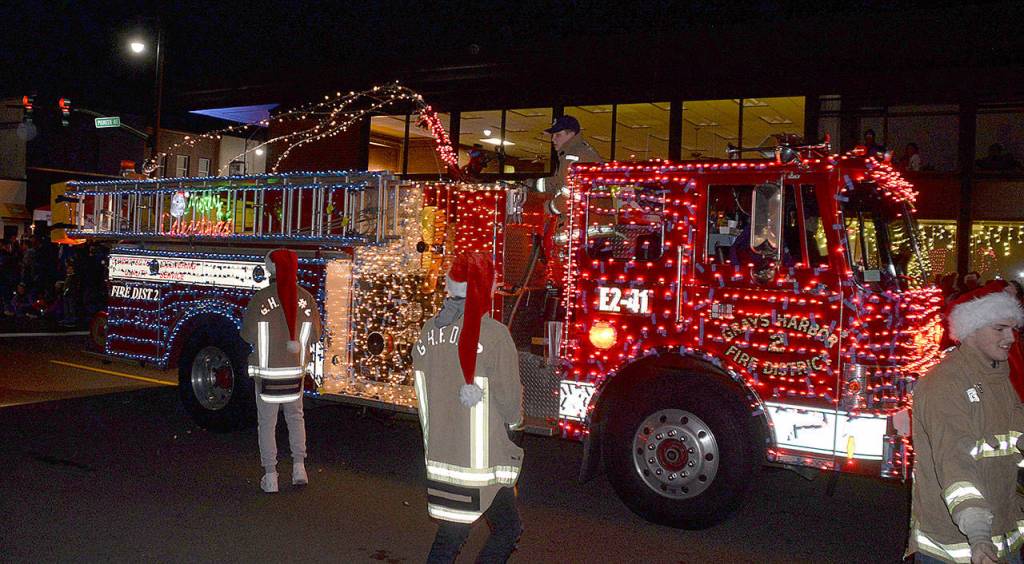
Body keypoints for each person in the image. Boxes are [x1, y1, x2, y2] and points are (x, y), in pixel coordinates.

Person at [412, 252, 525, 563]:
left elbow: (423, 391)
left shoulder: (428, 331)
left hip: (442, 456)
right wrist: (515, 422)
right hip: (481, 466)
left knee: (453, 535)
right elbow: (510, 403)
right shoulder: (494, 335)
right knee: (506, 530)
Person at [906, 283, 1024, 563]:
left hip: (1004, 536)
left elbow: (1015, 441)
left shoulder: (1000, 378)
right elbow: (956, 464)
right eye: (999, 329)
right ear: (972, 329)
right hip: (958, 547)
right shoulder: (944, 384)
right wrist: (979, 536)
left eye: (1013, 329)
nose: (1010, 337)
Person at [240, 249, 321, 493]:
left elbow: (246, 335)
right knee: (296, 419)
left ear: (272, 270)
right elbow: (316, 336)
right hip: (295, 376)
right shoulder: (307, 299)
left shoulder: (261, 299)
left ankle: (271, 475)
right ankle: (299, 468)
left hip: (267, 377)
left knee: (267, 423)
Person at [542, 115, 604, 220]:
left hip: (582, 223)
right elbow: (559, 181)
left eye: (558, 135)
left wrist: (550, 207)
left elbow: (571, 194)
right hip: (591, 220)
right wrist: (533, 184)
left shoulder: (573, 157)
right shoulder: (579, 151)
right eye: (552, 135)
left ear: (571, 134)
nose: (553, 139)